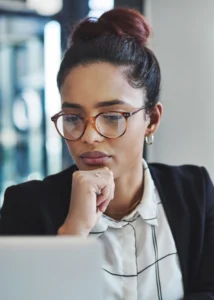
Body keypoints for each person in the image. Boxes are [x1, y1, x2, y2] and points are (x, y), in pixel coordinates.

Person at [0, 7, 214, 300]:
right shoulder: (25, 207)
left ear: (151, 119)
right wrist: (72, 233)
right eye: (74, 118)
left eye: (112, 116)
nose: (89, 136)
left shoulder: (195, 191)